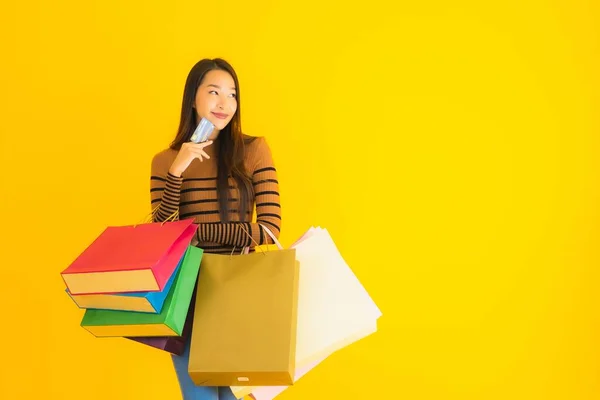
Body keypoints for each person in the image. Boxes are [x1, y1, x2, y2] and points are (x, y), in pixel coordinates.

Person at [149, 58, 281, 399]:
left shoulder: (253, 150)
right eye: (214, 92)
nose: (225, 103)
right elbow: (161, 236)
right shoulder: (165, 161)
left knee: (237, 397)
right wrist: (177, 172)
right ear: (193, 98)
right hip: (188, 296)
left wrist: (192, 234)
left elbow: (269, 230)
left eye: (232, 94)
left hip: (240, 289)